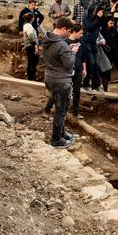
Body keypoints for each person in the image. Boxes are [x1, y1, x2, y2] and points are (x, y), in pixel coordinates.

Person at [42, 17, 78, 149]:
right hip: (61, 81)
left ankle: (62, 133)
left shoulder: (47, 39)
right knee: (61, 110)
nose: (69, 35)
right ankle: (56, 139)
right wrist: (72, 53)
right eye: (68, 32)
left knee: (60, 109)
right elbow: (69, 65)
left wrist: (66, 51)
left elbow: (55, 56)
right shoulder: (62, 44)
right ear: (63, 29)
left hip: (50, 77)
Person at [44, 24, 87, 118]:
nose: (81, 35)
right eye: (80, 33)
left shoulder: (82, 43)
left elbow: (83, 57)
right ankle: (47, 109)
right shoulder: (64, 42)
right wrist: (72, 51)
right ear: (74, 32)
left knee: (77, 92)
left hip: (78, 70)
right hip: (67, 72)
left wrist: (84, 69)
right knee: (58, 92)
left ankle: (75, 113)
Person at [81, 6, 104, 92]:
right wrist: (98, 17)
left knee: (97, 64)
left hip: (94, 42)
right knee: (91, 63)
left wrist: (101, 17)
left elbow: (103, 25)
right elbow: (88, 27)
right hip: (86, 42)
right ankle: (85, 84)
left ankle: (96, 85)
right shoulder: (88, 15)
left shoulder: (99, 16)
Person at [99, 17, 118, 92]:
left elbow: (117, 40)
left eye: (113, 23)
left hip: (115, 53)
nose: (112, 25)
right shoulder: (102, 31)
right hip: (106, 53)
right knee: (106, 71)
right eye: (110, 23)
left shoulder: (114, 30)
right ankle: (105, 89)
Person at [22, 13, 39, 81]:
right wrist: (35, 46)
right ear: (31, 18)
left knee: (31, 62)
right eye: (33, 17)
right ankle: (31, 78)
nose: (34, 18)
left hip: (29, 46)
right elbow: (31, 36)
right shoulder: (28, 26)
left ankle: (30, 77)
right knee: (33, 62)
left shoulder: (26, 25)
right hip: (31, 46)